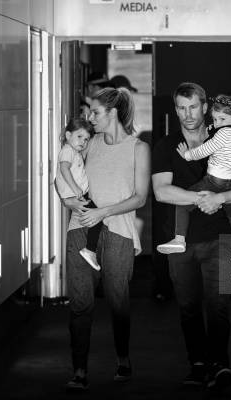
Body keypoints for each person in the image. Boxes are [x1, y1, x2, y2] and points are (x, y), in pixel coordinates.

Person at [152, 82, 231, 390]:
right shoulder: (166, 147)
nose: (187, 114)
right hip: (179, 241)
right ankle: (197, 363)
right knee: (188, 307)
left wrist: (219, 199)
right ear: (176, 109)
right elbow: (161, 192)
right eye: (181, 108)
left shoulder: (223, 138)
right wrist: (202, 198)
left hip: (218, 237)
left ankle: (220, 364)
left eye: (193, 107)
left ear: (205, 107)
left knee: (218, 305)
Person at [62, 87, 150, 391]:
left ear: (112, 112)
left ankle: (123, 360)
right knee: (80, 303)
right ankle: (79, 370)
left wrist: (105, 212)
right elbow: (69, 176)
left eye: (95, 112)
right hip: (81, 228)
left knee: (117, 300)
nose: (90, 118)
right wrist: (70, 200)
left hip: (118, 231)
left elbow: (140, 198)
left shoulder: (138, 148)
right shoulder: (89, 144)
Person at [157, 94, 231, 254]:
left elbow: (205, 150)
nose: (217, 123)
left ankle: (179, 240)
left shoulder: (222, 135)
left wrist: (187, 155)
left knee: (182, 205)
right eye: (215, 119)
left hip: (217, 180)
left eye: (222, 119)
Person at [55, 118, 102, 271]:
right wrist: (75, 189)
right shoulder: (67, 150)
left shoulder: (74, 151)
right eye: (79, 137)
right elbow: (64, 169)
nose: (83, 142)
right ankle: (89, 250)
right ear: (68, 135)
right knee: (97, 219)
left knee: (93, 219)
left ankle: (90, 250)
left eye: (86, 139)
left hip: (78, 196)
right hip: (77, 196)